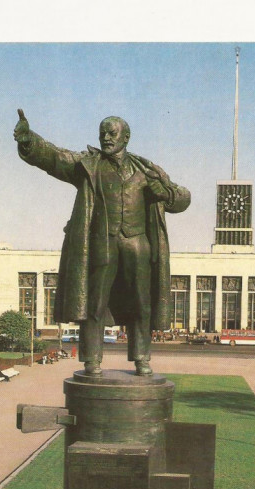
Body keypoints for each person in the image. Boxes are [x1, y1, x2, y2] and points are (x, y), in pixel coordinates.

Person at [14, 110, 191, 377]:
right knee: (94, 303)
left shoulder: (147, 170)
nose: (106, 138)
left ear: (126, 137)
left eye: (112, 133)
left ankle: (142, 358)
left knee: (141, 304)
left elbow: (183, 197)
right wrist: (29, 141)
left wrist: (165, 193)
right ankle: (92, 360)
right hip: (101, 244)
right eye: (102, 133)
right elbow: (54, 157)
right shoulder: (88, 165)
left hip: (138, 245)